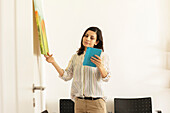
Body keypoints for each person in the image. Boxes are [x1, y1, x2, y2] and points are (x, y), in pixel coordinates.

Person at [44, 27, 111, 113]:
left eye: (92, 38)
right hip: (79, 103)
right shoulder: (76, 57)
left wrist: (100, 66)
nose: (87, 39)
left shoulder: (103, 56)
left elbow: (107, 78)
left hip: (96, 103)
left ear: (97, 42)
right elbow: (66, 76)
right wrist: (53, 62)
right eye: (86, 36)